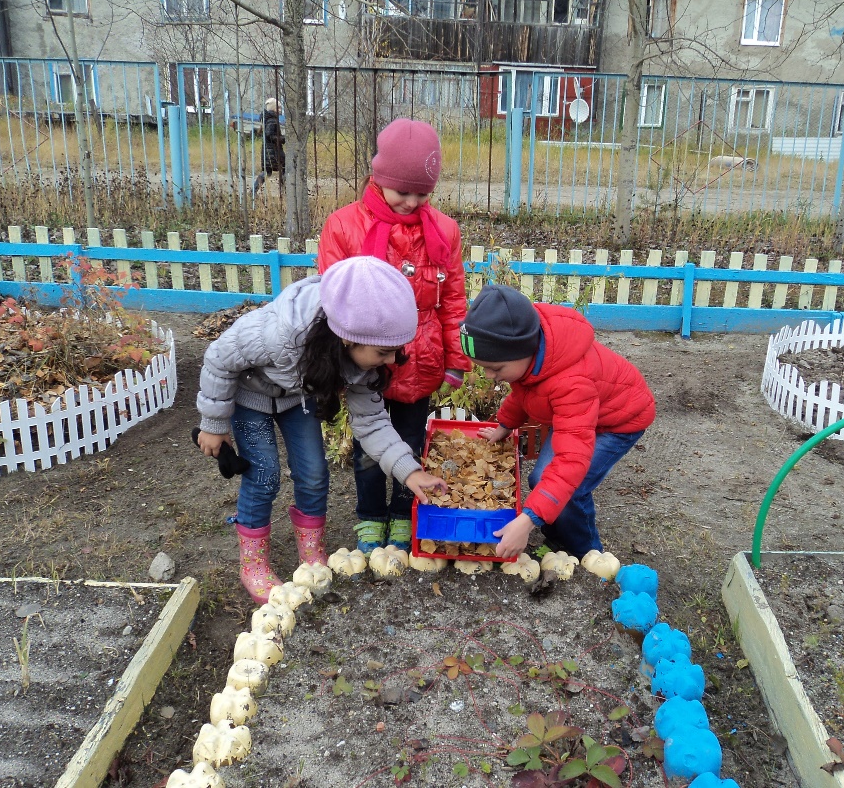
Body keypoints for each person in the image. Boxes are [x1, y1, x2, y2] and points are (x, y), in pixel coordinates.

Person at [196, 256, 449, 605]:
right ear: (347, 339)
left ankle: (311, 553)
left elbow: (373, 423)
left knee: (314, 472)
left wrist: (410, 473)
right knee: (264, 473)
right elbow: (218, 358)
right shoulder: (277, 333)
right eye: (383, 352)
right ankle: (253, 564)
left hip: (295, 398)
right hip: (249, 394)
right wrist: (213, 424)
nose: (392, 361)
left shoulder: (357, 363)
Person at [317, 118, 470, 554]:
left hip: (421, 358)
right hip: (366, 355)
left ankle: (404, 513)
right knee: (369, 439)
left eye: (422, 193)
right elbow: (333, 296)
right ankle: (370, 515)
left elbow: (453, 299)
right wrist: (339, 359)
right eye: (403, 191)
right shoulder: (345, 226)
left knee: (411, 437)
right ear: (379, 178)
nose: (411, 201)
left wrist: (456, 359)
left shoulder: (443, 230)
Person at [459, 284, 656, 561]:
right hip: (580, 417)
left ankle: (586, 552)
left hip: (618, 421)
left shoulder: (570, 384)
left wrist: (527, 521)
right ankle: (557, 528)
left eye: (496, 368)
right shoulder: (530, 357)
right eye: (483, 367)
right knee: (541, 479)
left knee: (572, 487)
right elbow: (524, 393)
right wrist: (503, 426)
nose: (489, 376)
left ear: (523, 350)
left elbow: (571, 461)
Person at [252, 97, 284, 197]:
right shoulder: (272, 120)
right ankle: (284, 191)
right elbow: (269, 135)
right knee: (285, 168)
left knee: (267, 172)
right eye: (278, 108)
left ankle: (253, 192)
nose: (280, 110)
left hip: (268, 150)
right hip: (273, 151)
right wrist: (282, 139)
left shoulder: (268, 119)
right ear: (273, 109)